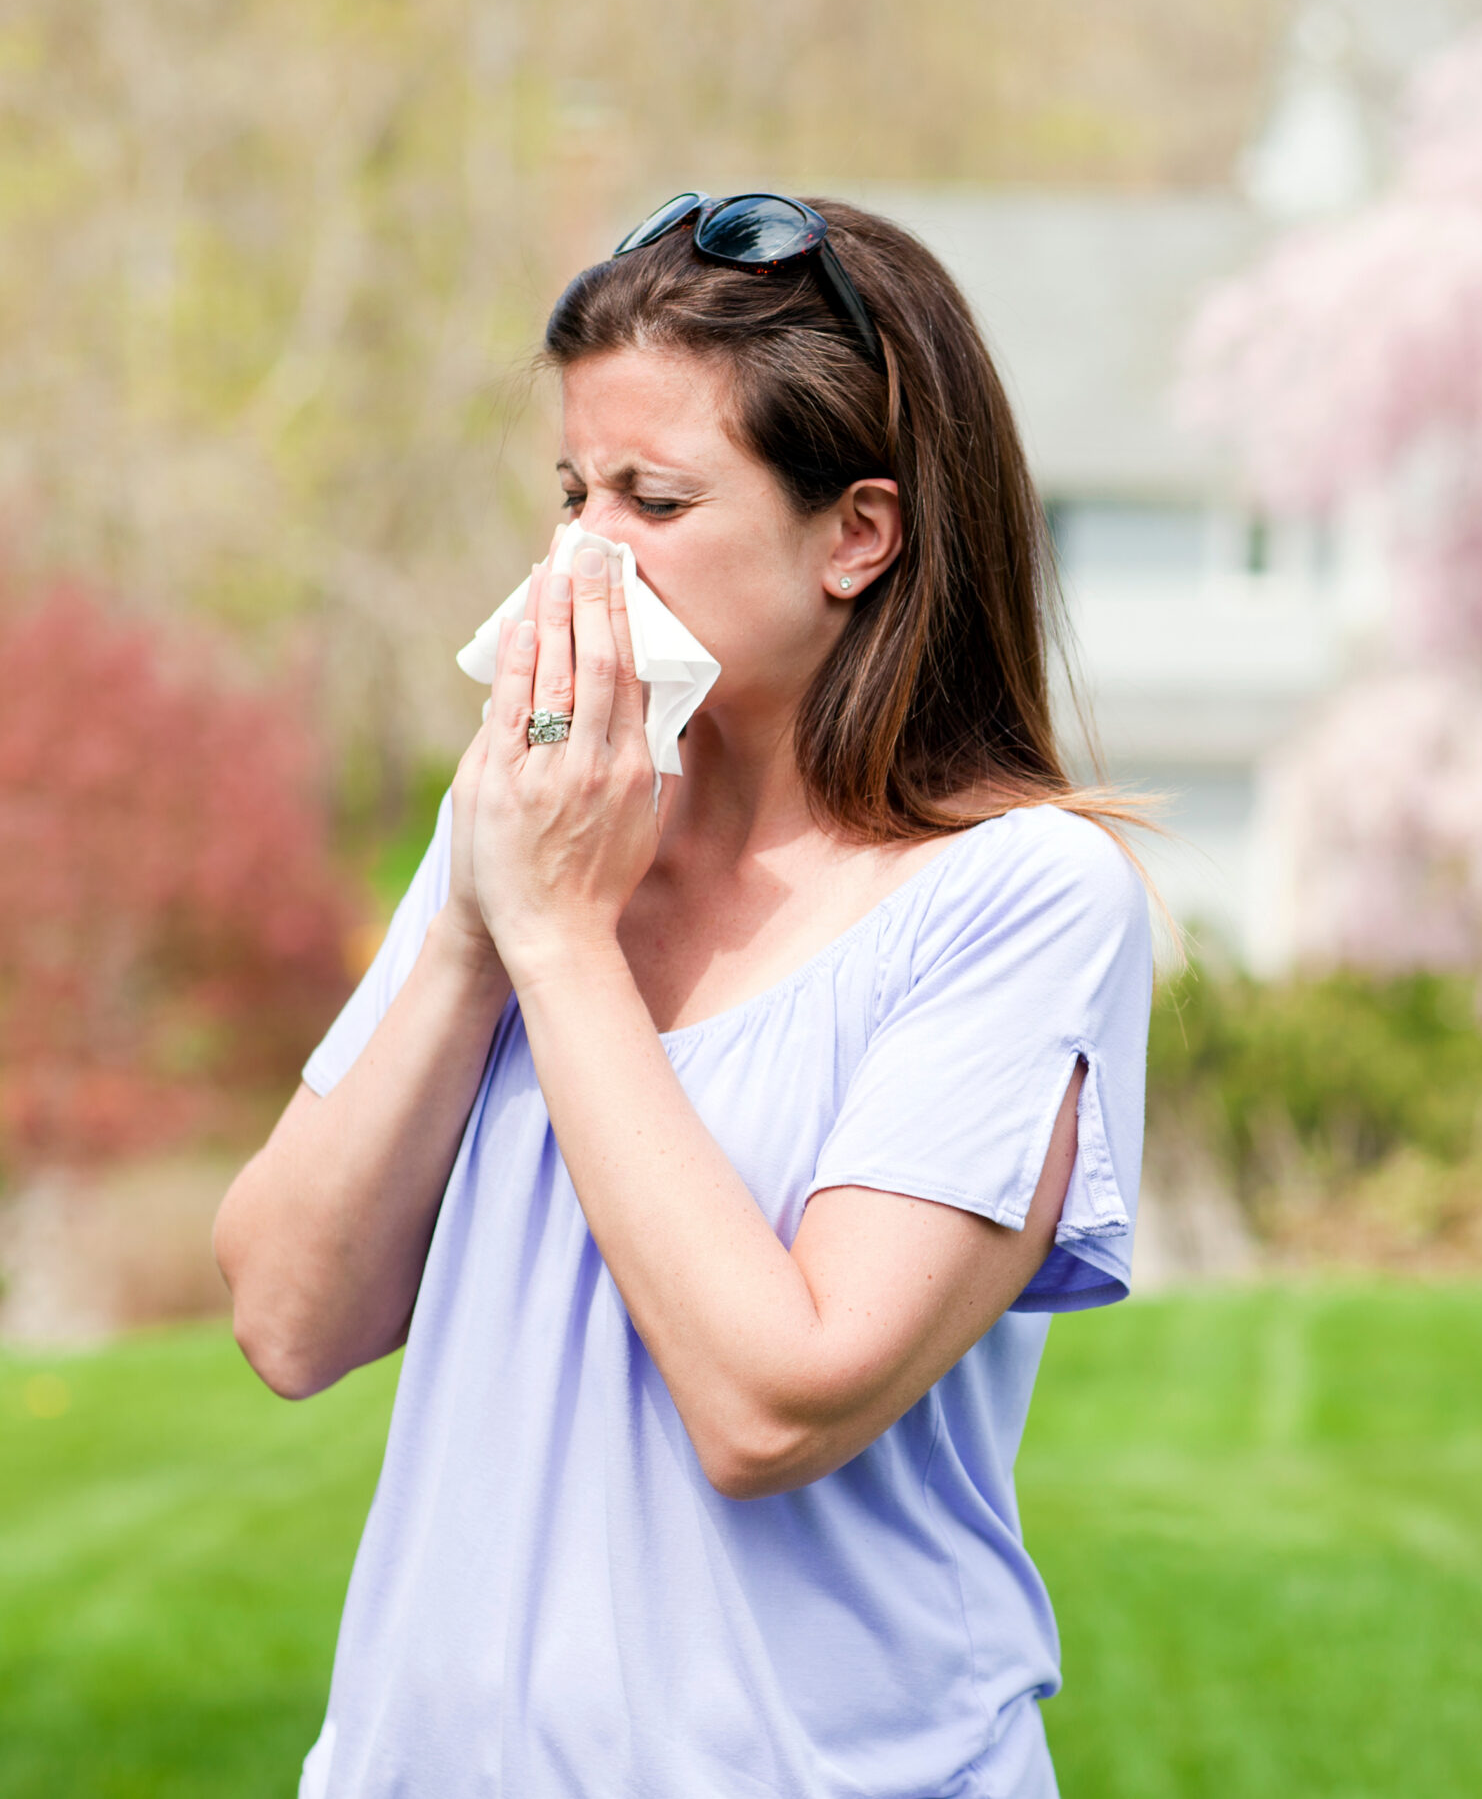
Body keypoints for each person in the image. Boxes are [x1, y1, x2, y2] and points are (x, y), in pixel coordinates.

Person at [213, 193, 1152, 1799]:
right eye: (572, 489)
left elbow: (772, 1402)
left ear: (858, 533)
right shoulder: (525, 826)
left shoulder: (1017, 901)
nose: (583, 556)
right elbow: (291, 1316)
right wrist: (476, 927)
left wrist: (564, 946)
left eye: (654, 497)